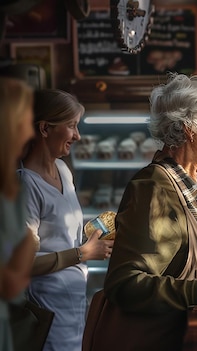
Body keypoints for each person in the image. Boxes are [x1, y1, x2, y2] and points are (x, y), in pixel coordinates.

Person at [87, 73, 197, 351]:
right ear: (190, 129)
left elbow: (179, 260)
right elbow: (125, 283)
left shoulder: (184, 186)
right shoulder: (155, 189)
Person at [18, 89, 114, 351]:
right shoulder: (25, 184)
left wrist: (97, 232)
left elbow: (61, 235)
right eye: (71, 126)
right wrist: (83, 253)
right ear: (45, 128)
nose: (77, 135)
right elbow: (21, 264)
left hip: (73, 304)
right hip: (46, 309)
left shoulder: (62, 169)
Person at [0, 77, 38, 351]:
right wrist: (29, 243)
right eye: (27, 120)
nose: (31, 131)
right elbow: (10, 284)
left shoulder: (12, 188)